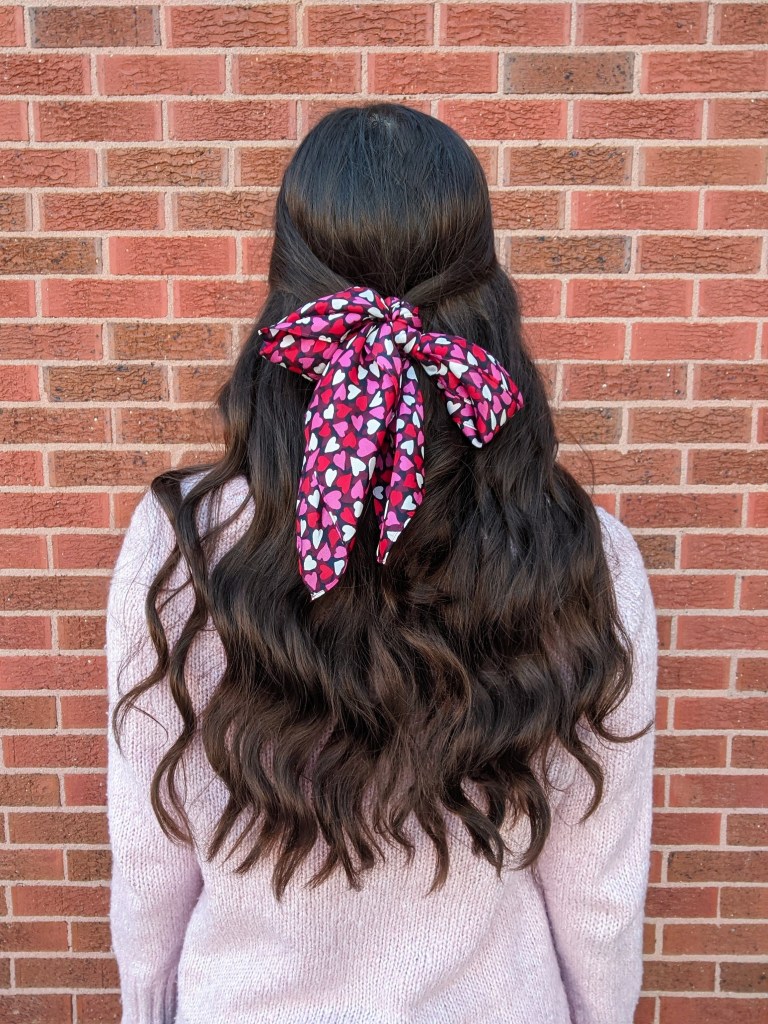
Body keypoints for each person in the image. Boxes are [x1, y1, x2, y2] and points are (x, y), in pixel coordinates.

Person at [106, 101, 658, 1024]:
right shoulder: (586, 554)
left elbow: (152, 854)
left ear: (286, 291)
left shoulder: (180, 547)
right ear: (485, 289)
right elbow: (597, 884)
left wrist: (147, 1008)